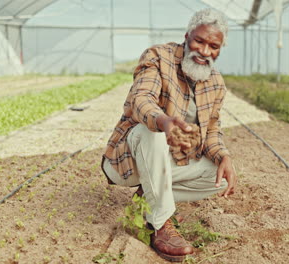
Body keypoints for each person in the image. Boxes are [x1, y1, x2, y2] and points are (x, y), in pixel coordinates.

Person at [101, 8, 237, 262]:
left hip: (166, 165)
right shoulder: (158, 57)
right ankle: (160, 224)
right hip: (128, 161)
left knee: (218, 176)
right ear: (187, 36)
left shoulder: (216, 83)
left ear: (219, 49)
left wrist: (223, 155)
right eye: (199, 41)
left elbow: (213, 131)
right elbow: (141, 99)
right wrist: (163, 121)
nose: (205, 52)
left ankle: (148, 198)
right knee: (151, 133)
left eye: (213, 46)